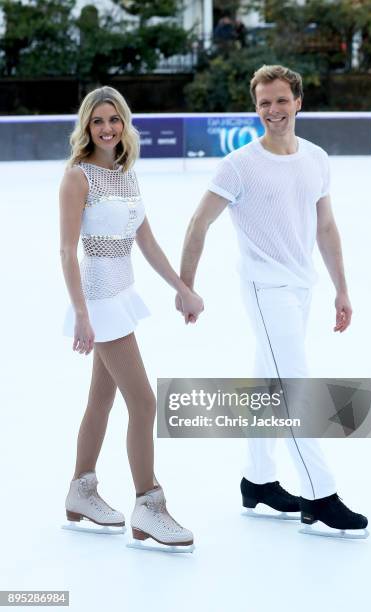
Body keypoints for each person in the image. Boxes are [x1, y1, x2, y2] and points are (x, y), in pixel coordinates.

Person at [177, 65, 368, 538]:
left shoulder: (317, 158)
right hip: (265, 290)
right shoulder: (239, 164)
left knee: (270, 383)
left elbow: (326, 227)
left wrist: (341, 287)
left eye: (281, 101)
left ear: (298, 102)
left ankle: (257, 481)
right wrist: (186, 286)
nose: (273, 111)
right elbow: (199, 223)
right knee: (294, 386)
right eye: (264, 103)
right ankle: (319, 493)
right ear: (256, 107)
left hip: (303, 286)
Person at [60, 86, 203, 550]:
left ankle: (81, 491)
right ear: (86, 126)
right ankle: (149, 504)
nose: (106, 128)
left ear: (125, 124)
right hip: (98, 298)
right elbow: (66, 251)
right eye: (98, 121)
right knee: (144, 403)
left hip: (122, 294)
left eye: (114, 120)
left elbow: (147, 243)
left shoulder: (126, 175)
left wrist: (182, 289)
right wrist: (82, 313)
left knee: (102, 400)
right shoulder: (77, 178)